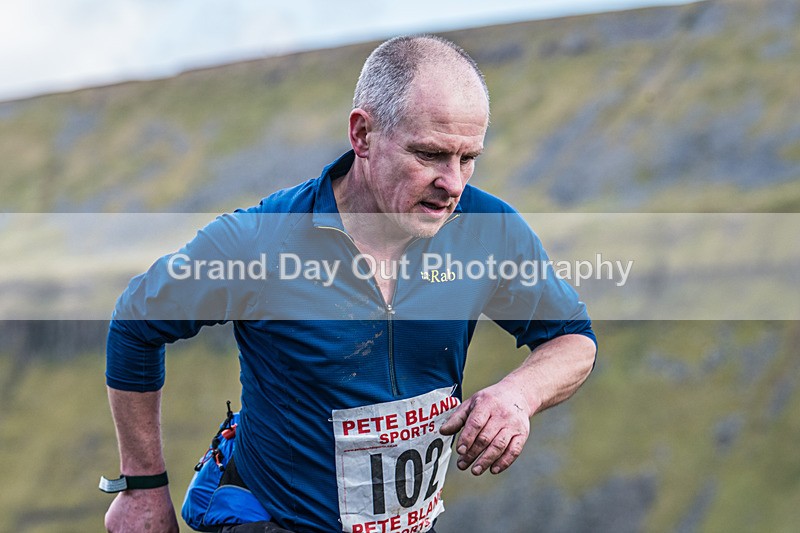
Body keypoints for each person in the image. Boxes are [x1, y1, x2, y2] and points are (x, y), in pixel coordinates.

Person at [103, 35, 597, 533]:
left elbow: (573, 339)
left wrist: (518, 395)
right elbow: (135, 322)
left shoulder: (489, 229)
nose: (453, 184)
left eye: (468, 158)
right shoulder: (259, 242)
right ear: (362, 135)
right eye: (429, 154)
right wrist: (142, 490)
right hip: (272, 520)